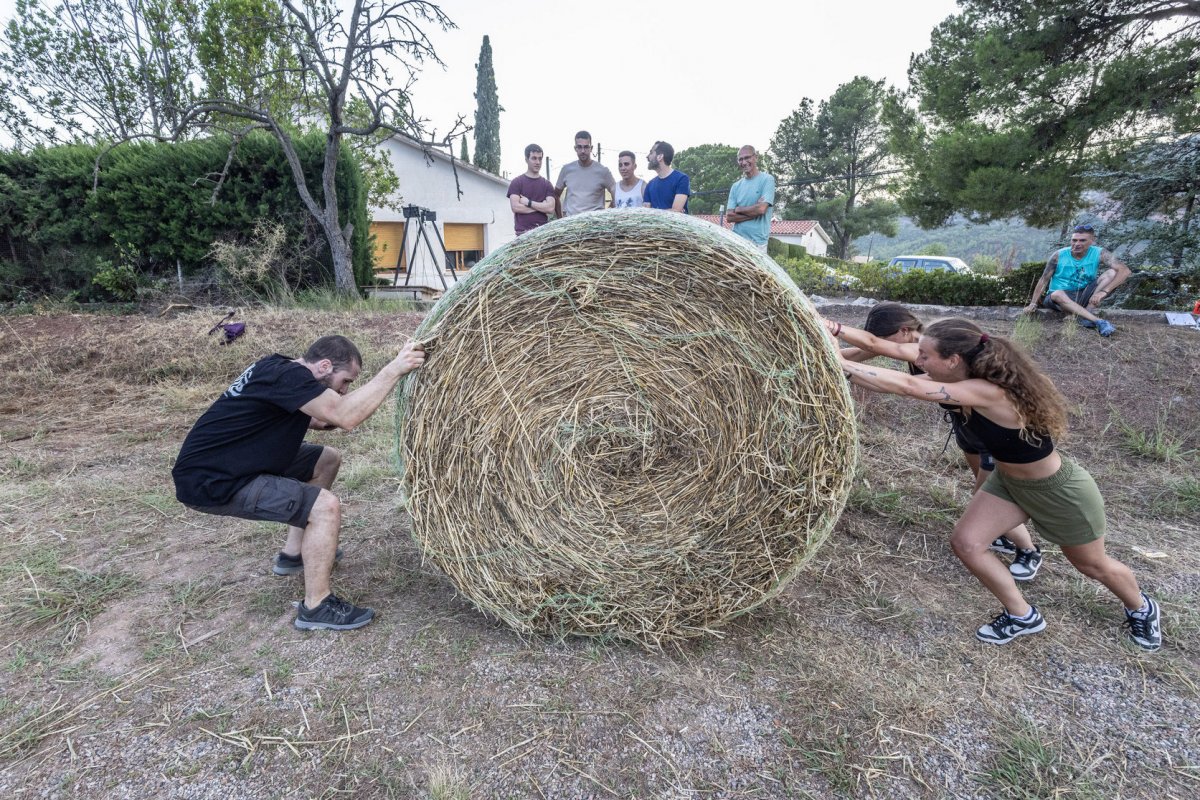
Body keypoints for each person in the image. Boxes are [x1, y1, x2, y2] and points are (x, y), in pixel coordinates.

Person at [834, 318, 1161, 650]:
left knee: (1092, 565)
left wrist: (837, 359)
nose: (918, 362)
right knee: (967, 543)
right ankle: (1022, 615)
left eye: (925, 356)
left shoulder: (989, 392)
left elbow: (908, 386)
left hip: (1059, 491)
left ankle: (1142, 607)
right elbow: (898, 381)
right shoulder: (964, 381)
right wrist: (841, 367)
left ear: (953, 360)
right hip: (1008, 483)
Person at [172, 335, 426, 631]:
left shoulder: (279, 368)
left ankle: (294, 554)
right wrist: (395, 369)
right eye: (344, 382)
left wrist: (359, 403)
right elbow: (344, 416)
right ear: (325, 366)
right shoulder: (289, 376)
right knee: (324, 507)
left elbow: (321, 420)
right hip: (215, 478)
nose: (344, 390)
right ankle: (316, 605)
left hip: (237, 459)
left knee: (326, 459)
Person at [828, 304, 1043, 580]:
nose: (882, 344)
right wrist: (824, 354)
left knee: (987, 495)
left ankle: (1028, 550)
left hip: (989, 432)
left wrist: (830, 326)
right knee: (983, 485)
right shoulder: (918, 348)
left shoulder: (923, 345)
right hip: (967, 427)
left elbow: (899, 375)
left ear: (905, 331)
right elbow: (861, 353)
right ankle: (999, 533)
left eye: (886, 338)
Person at [1024, 224, 1132, 337]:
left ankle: (1086, 312)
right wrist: (1033, 303)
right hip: (1058, 298)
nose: (1077, 244)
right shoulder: (1058, 255)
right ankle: (1098, 321)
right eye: (1074, 240)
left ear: (1092, 240)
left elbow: (1125, 271)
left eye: (1082, 240)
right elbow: (1043, 280)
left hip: (1083, 295)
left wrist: (1103, 292)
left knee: (1112, 273)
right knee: (1057, 294)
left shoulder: (1099, 253)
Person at [554, 130, 616, 217]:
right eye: (579, 147)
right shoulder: (566, 170)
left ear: (591, 148)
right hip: (571, 225)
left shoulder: (603, 171)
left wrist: (607, 215)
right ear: (575, 148)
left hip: (594, 226)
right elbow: (555, 195)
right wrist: (560, 219)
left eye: (586, 147)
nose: (583, 151)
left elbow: (617, 194)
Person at [725, 145, 775, 251]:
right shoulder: (736, 186)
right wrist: (754, 211)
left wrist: (738, 209)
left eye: (747, 157)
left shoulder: (767, 180)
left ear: (755, 157)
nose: (744, 162)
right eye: (740, 159)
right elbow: (729, 217)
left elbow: (761, 209)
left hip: (757, 244)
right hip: (736, 241)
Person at [508, 143, 557, 236]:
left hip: (543, 234)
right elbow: (515, 207)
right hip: (522, 234)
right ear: (526, 160)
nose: (538, 162)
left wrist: (528, 203)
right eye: (534, 158)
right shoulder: (517, 182)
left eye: (540, 158)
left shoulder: (547, 184)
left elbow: (550, 208)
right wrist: (541, 207)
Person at [642, 140, 690, 213]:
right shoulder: (650, 185)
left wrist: (653, 213)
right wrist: (670, 211)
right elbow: (646, 214)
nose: (648, 157)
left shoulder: (681, 179)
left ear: (660, 156)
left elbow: (676, 213)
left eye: (651, 153)